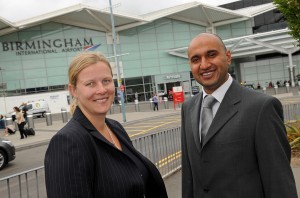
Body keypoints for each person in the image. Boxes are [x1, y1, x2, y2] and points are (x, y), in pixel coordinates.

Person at [181, 33, 297, 198]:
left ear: (228, 57)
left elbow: (278, 181)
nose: (204, 65)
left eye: (211, 55)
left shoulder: (261, 107)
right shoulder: (188, 108)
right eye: (196, 59)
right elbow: (189, 177)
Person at [44, 52, 167, 198]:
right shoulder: (68, 142)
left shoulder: (115, 128)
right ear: (73, 90)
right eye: (90, 84)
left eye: (106, 81)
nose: (102, 90)